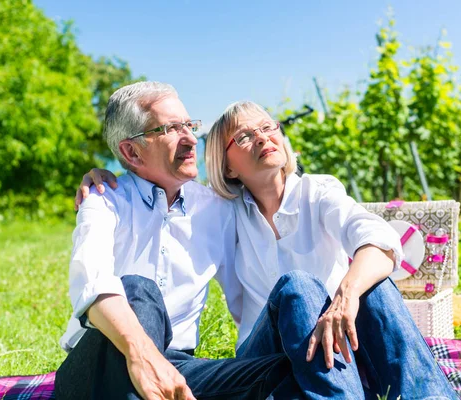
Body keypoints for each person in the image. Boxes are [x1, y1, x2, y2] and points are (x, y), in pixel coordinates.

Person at [80, 100, 459, 399]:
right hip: (265, 354)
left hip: (341, 344)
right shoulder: (222, 211)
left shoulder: (318, 190)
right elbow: (158, 193)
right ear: (227, 167)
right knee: (299, 287)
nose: (262, 137)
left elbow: (379, 239)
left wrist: (346, 294)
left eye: (267, 127)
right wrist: (98, 178)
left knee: (370, 277)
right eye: (244, 137)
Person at [56, 82, 294, 400]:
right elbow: (93, 285)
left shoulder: (219, 209)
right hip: (102, 362)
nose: (190, 139)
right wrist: (144, 358)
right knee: (138, 290)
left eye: (188, 125)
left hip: (180, 366)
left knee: (287, 371)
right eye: (171, 128)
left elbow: (247, 298)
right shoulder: (104, 199)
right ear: (130, 151)